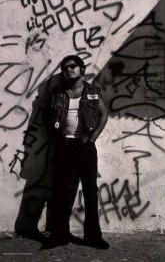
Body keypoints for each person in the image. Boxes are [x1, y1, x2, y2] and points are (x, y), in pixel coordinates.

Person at [44, 54, 109, 249]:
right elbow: (47, 117)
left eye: (72, 66)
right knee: (63, 191)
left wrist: (93, 137)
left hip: (85, 146)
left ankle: (93, 237)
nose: (68, 70)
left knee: (90, 191)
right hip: (64, 146)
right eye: (64, 68)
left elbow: (104, 114)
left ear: (81, 69)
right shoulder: (57, 93)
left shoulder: (92, 91)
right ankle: (60, 235)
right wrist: (56, 137)